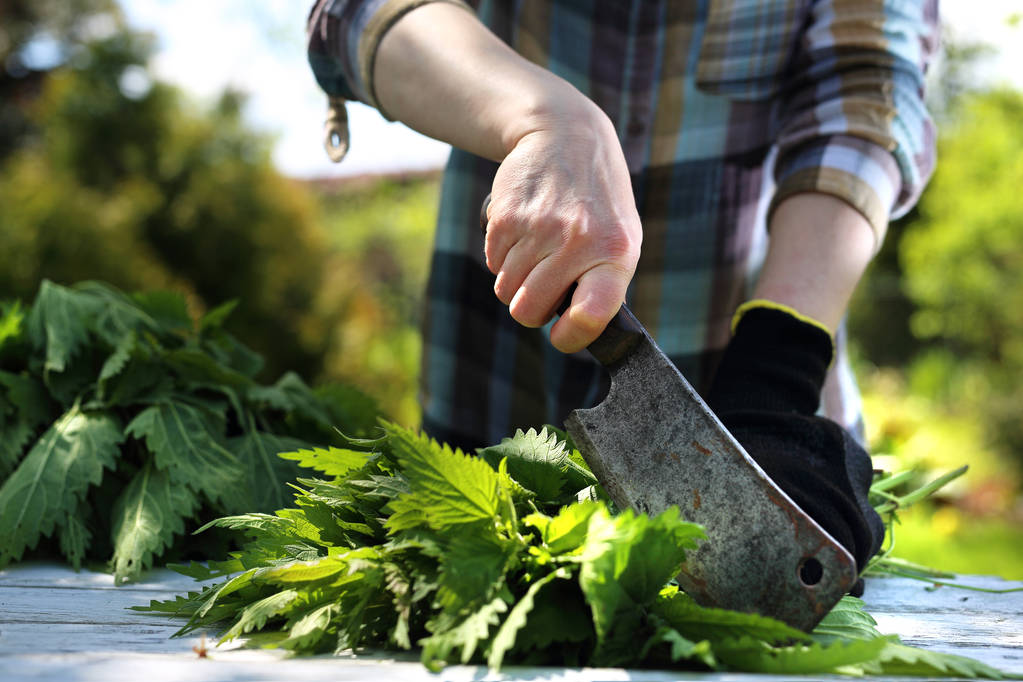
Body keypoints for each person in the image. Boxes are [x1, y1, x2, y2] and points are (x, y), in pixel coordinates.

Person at [306, 0, 939, 579]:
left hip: (768, 442)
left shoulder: (774, 404)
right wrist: (542, 119)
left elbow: (867, 94)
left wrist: (778, 370)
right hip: (490, 398)